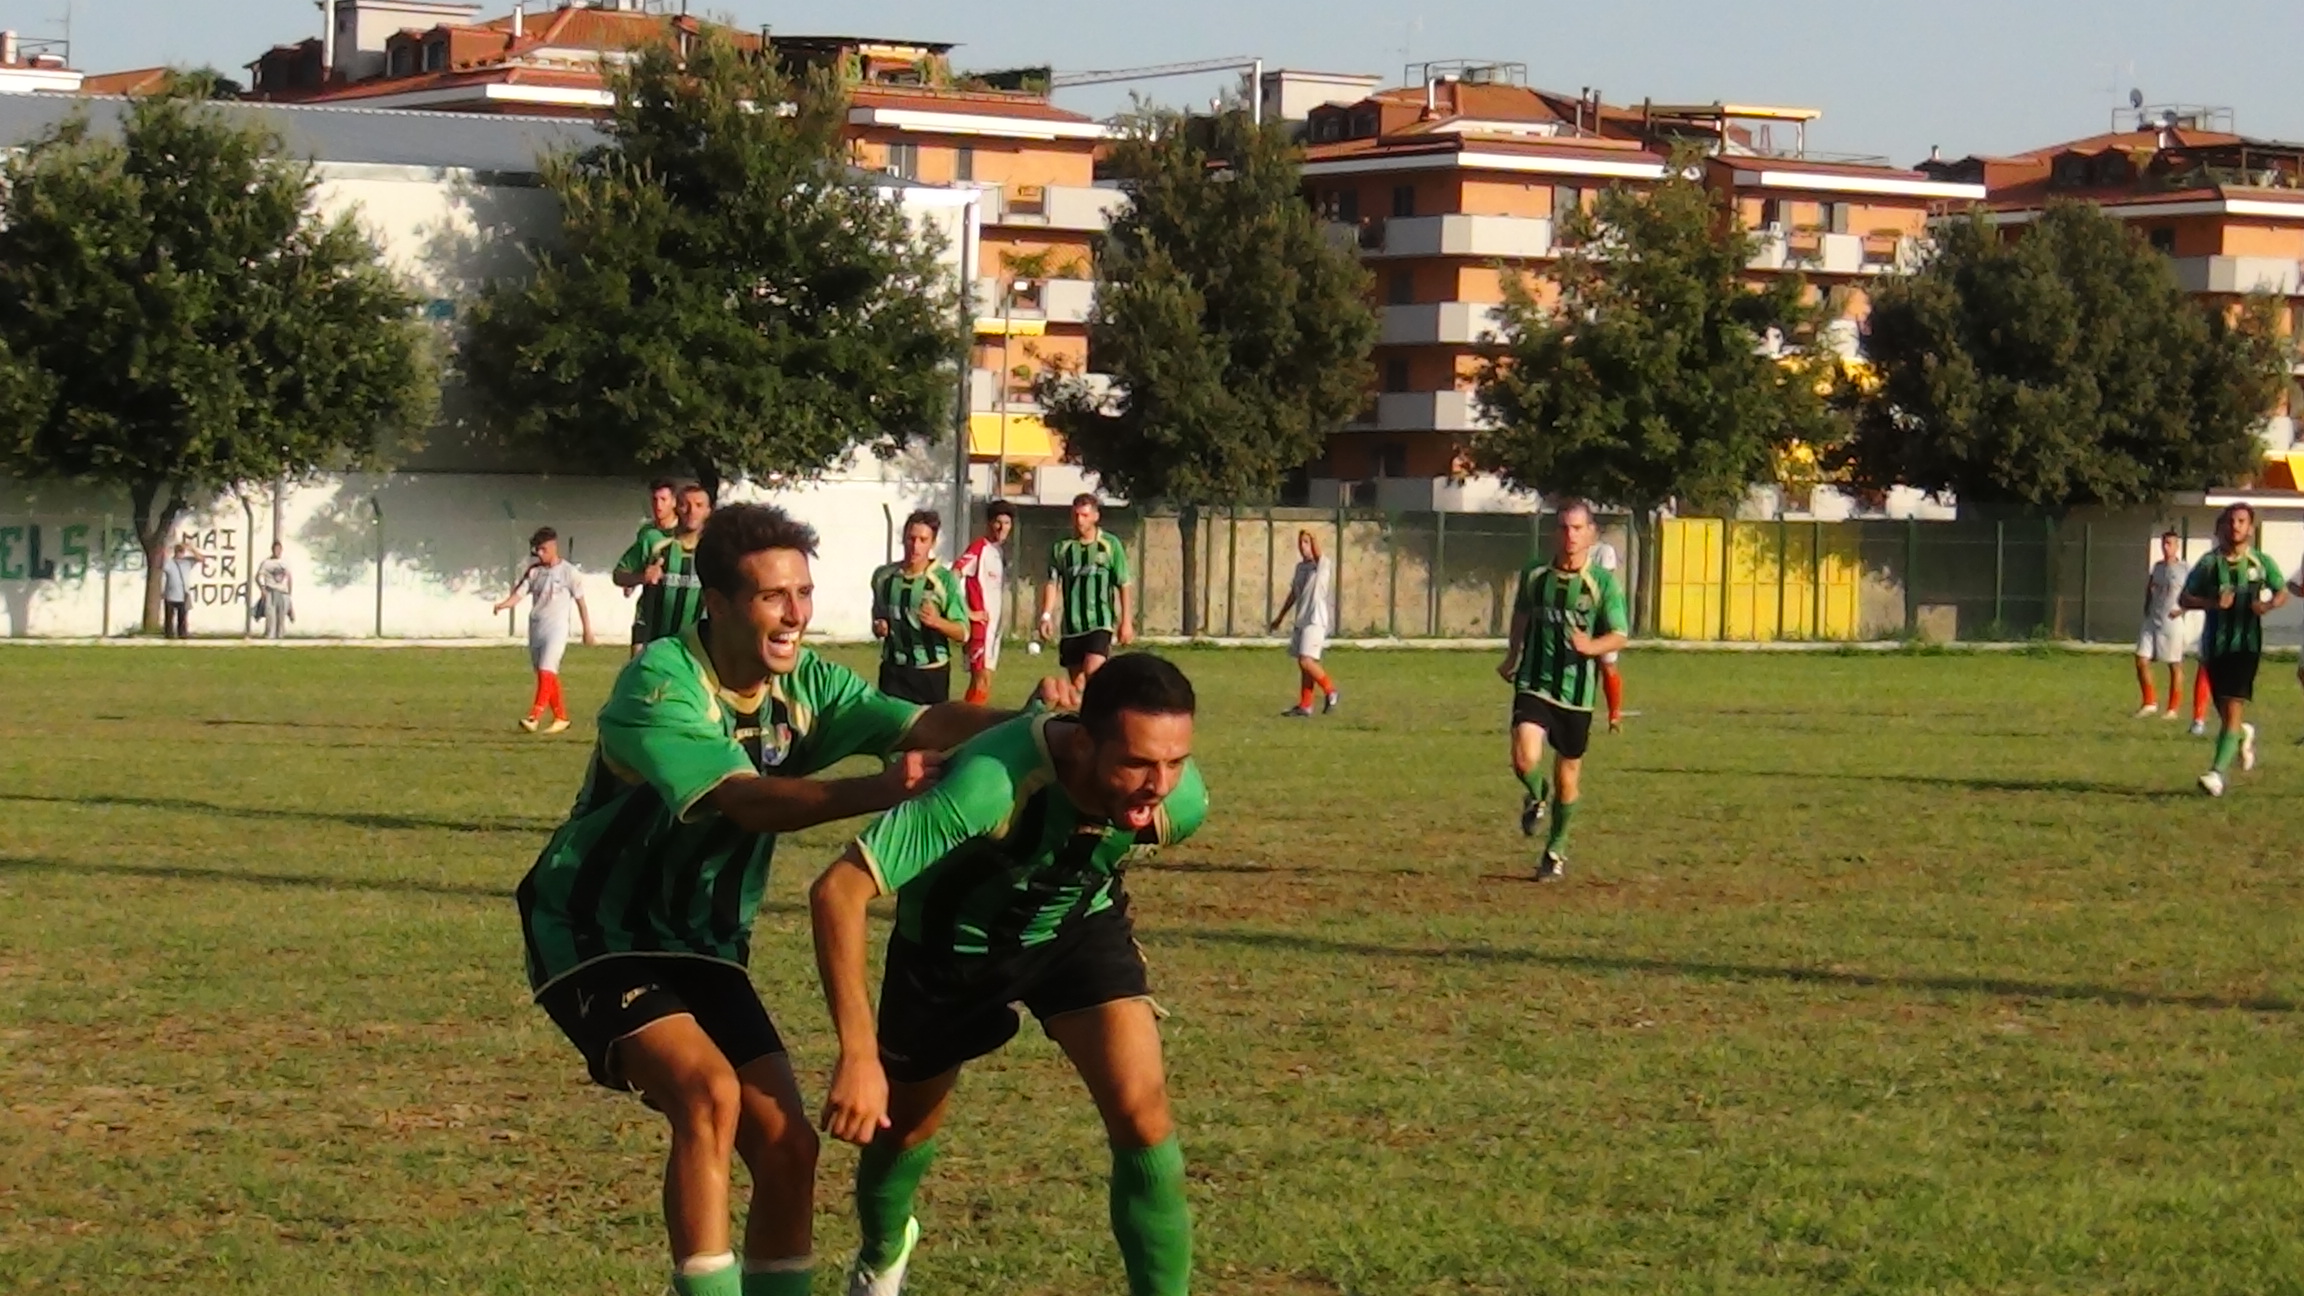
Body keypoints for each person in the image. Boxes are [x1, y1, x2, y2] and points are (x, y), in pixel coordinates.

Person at [517, 503, 1060, 1296]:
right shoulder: (661, 682)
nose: (797, 613)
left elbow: (923, 722)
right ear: (722, 604)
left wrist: (1041, 725)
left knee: (788, 1147)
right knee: (708, 1095)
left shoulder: (807, 682)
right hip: (596, 932)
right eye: (775, 597)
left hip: (705, 938)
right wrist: (874, 789)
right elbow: (746, 799)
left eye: (803, 592)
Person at [810, 653, 1206, 1296]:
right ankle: (882, 1256)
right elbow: (838, 891)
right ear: (1082, 741)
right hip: (949, 951)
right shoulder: (987, 783)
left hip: (1072, 930)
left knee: (1144, 1114)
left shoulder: (1179, 803)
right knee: (904, 1131)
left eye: (1174, 760)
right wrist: (857, 1055)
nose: (1158, 783)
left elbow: (1105, 839)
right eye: (1137, 762)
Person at [1497, 500, 1630, 880]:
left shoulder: (1602, 584)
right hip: (1534, 682)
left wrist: (1590, 647)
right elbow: (1521, 614)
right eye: (1563, 528)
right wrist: (1512, 656)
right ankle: (1536, 794)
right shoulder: (1535, 574)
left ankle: (1555, 851)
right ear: (1554, 533)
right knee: (1524, 759)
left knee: (1567, 778)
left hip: (1577, 694)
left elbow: (1620, 634)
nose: (1570, 536)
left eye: (1577, 528)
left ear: (1591, 534)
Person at [2181, 502, 2284, 796]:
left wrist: (2266, 605)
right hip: (2215, 646)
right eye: (2230, 521)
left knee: (2233, 706)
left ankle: (2216, 774)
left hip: (2245, 647)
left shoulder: (2260, 563)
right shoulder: (2209, 564)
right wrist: (2212, 604)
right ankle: (2242, 734)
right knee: (2226, 713)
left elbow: (2282, 591)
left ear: (2250, 528)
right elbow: (2185, 598)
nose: (2235, 526)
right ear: (2223, 527)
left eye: (2241, 521)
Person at [493, 527, 595, 733]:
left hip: (556, 629)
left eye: (543, 549)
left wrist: (587, 630)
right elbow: (519, 594)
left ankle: (534, 717)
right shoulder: (534, 572)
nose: (539, 554)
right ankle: (561, 717)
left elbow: (581, 603)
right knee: (546, 674)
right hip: (536, 628)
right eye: (536, 550)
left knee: (547, 668)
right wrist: (504, 604)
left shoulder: (569, 572)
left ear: (553, 546)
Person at [869, 510, 968, 705]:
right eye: (911, 539)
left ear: (932, 543)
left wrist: (937, 622)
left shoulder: (944, 580)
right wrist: (879, 627)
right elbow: (878, 617)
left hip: (930, 673)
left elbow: (963, 633)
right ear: (903, 538)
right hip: (893, 671)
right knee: (891, 732)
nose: (915, 546)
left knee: (929, 734)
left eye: (923, 540)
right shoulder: (883, 577)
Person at [1040, 494, 1133, 688]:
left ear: (1095, 517)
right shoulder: (1062, 547)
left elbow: (1123, 583)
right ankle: (1088, 717)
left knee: (1094, 673)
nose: (1079, 520)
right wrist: (1046, 616)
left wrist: (1126, 622)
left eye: (1084, 515)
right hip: (1072, 626)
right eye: (1076, 515)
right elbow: (1052, 583)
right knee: (1078, 685)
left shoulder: (1109, 544)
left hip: (1099, 622)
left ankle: (1104, 712)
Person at [617, 482, 711, 647]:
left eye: (699, 505)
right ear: (676, 507)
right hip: (651, 637)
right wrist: (641, 577)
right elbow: (619, 575)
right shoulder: (654, 540)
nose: (692, 511)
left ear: (708, 511)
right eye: (685, 505)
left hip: (693, 643)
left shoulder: (713, 549)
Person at [1269, 529, 1339, 717]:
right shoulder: (1300, 568)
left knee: (1306, 661)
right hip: (1302, 619)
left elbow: (1317, 553)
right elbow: (1294, 594)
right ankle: (1305, 705)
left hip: (1315, 620)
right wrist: (1280, 617)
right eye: (1301, 542)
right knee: (1304, 664)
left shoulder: (1322, 564)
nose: (1303, 546)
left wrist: (1313, 536)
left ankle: (1331, 691)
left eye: (1306, 542)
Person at [954, 502, 1014, 705]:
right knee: (980, 680)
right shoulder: (979, 547)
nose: (1002, 527)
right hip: (980, 627)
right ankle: (969, 727)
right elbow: (953, 575)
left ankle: (970, 724)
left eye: (1006, 523)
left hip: (994, 629)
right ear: (989, 523)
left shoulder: (999, 553)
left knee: (985, 681)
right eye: (998, 522)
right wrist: (967, 611)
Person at [619, 480, 681, 658]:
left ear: (674, 502)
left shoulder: (685, 532)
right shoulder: (647, 533)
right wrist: (637, 578)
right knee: (637, 664)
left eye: (663, 499)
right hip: (647, 611)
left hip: (675, 616)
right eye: (654, 499)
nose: (658, 505)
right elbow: (632, 567)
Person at [2134, 530, 2190, 720]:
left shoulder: (2183, 569)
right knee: (2141, 659)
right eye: (2164, 543)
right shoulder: (2157, 567)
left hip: (2172, 621)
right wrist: (2146, 606)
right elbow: (2150, 588)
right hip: (2153, 619)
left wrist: (2182, 609)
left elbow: (2193, 592)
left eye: (2170, 544)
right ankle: (2149, 702)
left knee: (2174, 664)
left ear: (2177, 546)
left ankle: (2173, 708)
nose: (2166, 547)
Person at [1590, 535, 1627, 732]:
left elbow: (1605, 580)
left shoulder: (1604, 550)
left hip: (1602, 613)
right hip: (1582, 613)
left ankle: (1614, 716)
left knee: (1607, 664)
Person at [159, 540, 204, 640]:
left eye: (182, 551)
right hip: (170, 595)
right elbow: (162, 560)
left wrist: (191, 549)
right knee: (169, 619)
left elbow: (201, 559)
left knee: (182, 619)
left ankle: (182, 636)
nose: (180, 553)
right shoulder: (169, 563)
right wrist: (168, 549)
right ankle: (169, 636)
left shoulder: (187, 562)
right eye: (179, 551)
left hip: (183, 595)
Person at [255, 542, 294, 641]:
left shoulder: (285, 562)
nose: (277, 552)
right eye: (276, 549)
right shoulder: (267, 563)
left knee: (281, 617)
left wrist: (289, 594)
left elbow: (289, 578)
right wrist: (262, 589)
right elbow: (258, 577)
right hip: (271, 591)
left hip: (283, 592)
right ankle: (269, 637)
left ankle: (280, 637)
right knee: (271, 616)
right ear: (272, 550)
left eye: (279, 549)